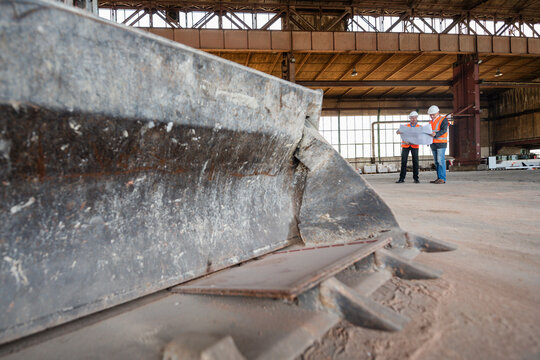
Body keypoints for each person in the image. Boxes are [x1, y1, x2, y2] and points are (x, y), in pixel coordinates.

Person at [396, 111, 420, 183]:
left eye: (415, 118)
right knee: (403, 162)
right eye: (412, 118)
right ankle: (401, 178)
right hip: (405, 145)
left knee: (415, 162)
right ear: (410, 118)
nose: (413, 119)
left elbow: (423, 135)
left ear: (417, 118)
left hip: (415, 146)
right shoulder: (405, 126)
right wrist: (399, 131)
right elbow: (397, 131)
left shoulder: (419, 127)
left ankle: (416, 178)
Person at [427, 105, 448, 184]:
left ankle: (442, 178)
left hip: (441, 144)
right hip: (433, 144)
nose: (432, 116)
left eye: (433, 114)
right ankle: (439, 177)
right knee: (436, 162)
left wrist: (435, 134)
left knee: (440, 161)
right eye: (430, 115)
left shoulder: (443, 120)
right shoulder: (430, 122)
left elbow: (444, 130)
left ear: (438, 112)